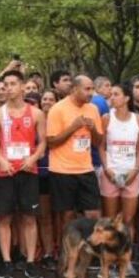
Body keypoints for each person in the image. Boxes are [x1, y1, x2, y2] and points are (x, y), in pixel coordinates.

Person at [0, 70, 47, 278]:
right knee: (4, 217)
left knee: (29, 218)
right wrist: (1, 160)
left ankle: (30, 261)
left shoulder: (36, 113)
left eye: (13, 84)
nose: (9, 88)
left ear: (23, 86)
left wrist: (33, 159)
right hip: (5, 172)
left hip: (28, 170)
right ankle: (6, 262)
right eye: (6, 84)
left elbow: (42, 142)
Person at [97, 82, 139, 276]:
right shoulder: (106, 118)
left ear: (126, 98)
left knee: (127, 220)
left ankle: (126, 260)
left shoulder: (138, 120)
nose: (112, 98)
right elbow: (101, 146)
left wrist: (134, 170)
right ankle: (108, 263)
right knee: (109, 220)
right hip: (111, 174)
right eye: (111, 95)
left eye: (116, 94)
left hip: (131, 174)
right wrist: (108, 170)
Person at [46, 75, 104, 226]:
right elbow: (51, 142)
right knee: (68, 215)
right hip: (62, 170)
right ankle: (69, 248)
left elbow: (98, 142)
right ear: (74, 89)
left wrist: (93, 131)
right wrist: (73, 128)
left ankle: (90, 247)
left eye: (92, 89)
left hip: (86, 169)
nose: (91, 93)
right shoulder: (57, 109)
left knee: (93, 213)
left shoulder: (93, 109)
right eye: (87, 89)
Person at [36, 89, 58, 270]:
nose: (47, 101)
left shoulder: (60, 121)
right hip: (40, 173)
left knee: (62, 215)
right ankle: (48, 252)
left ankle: (62, 250)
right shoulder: (35, 120)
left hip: (61, 171)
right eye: (44, 98)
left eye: (51, 99)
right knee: (44, 217)